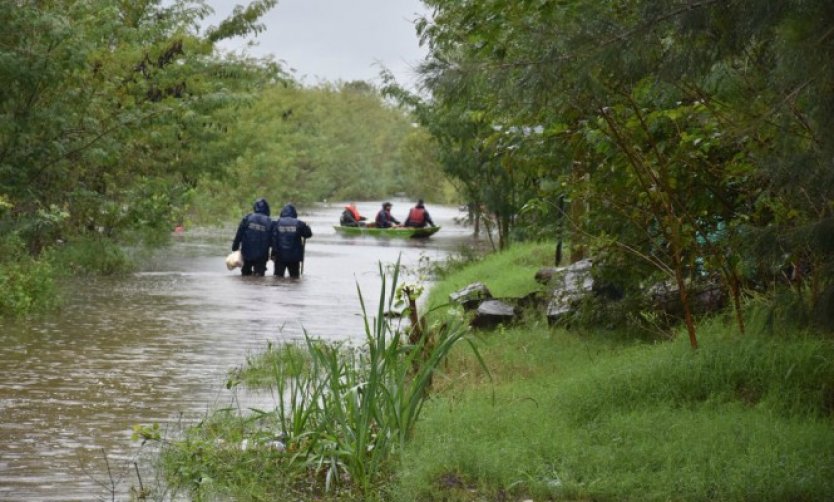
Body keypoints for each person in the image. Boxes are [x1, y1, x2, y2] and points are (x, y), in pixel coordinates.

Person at [231, 198, 273, 276]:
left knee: (245, 275)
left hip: (247, 253)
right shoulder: (269, 221)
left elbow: (239, 234)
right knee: (260, 277)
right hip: (262, 255)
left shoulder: (247, 218)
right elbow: (272, 240)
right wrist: (274, 253)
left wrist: (235, 247)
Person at [272, 203, 312, 278]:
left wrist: (273, 254)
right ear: (294, 213)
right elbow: (308, 234)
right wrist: (307, 227)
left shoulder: (277, 223)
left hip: (280, 256)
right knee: (294, 279)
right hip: (294, 257)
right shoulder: (300, 224)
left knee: (277, 279)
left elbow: (273, 239)